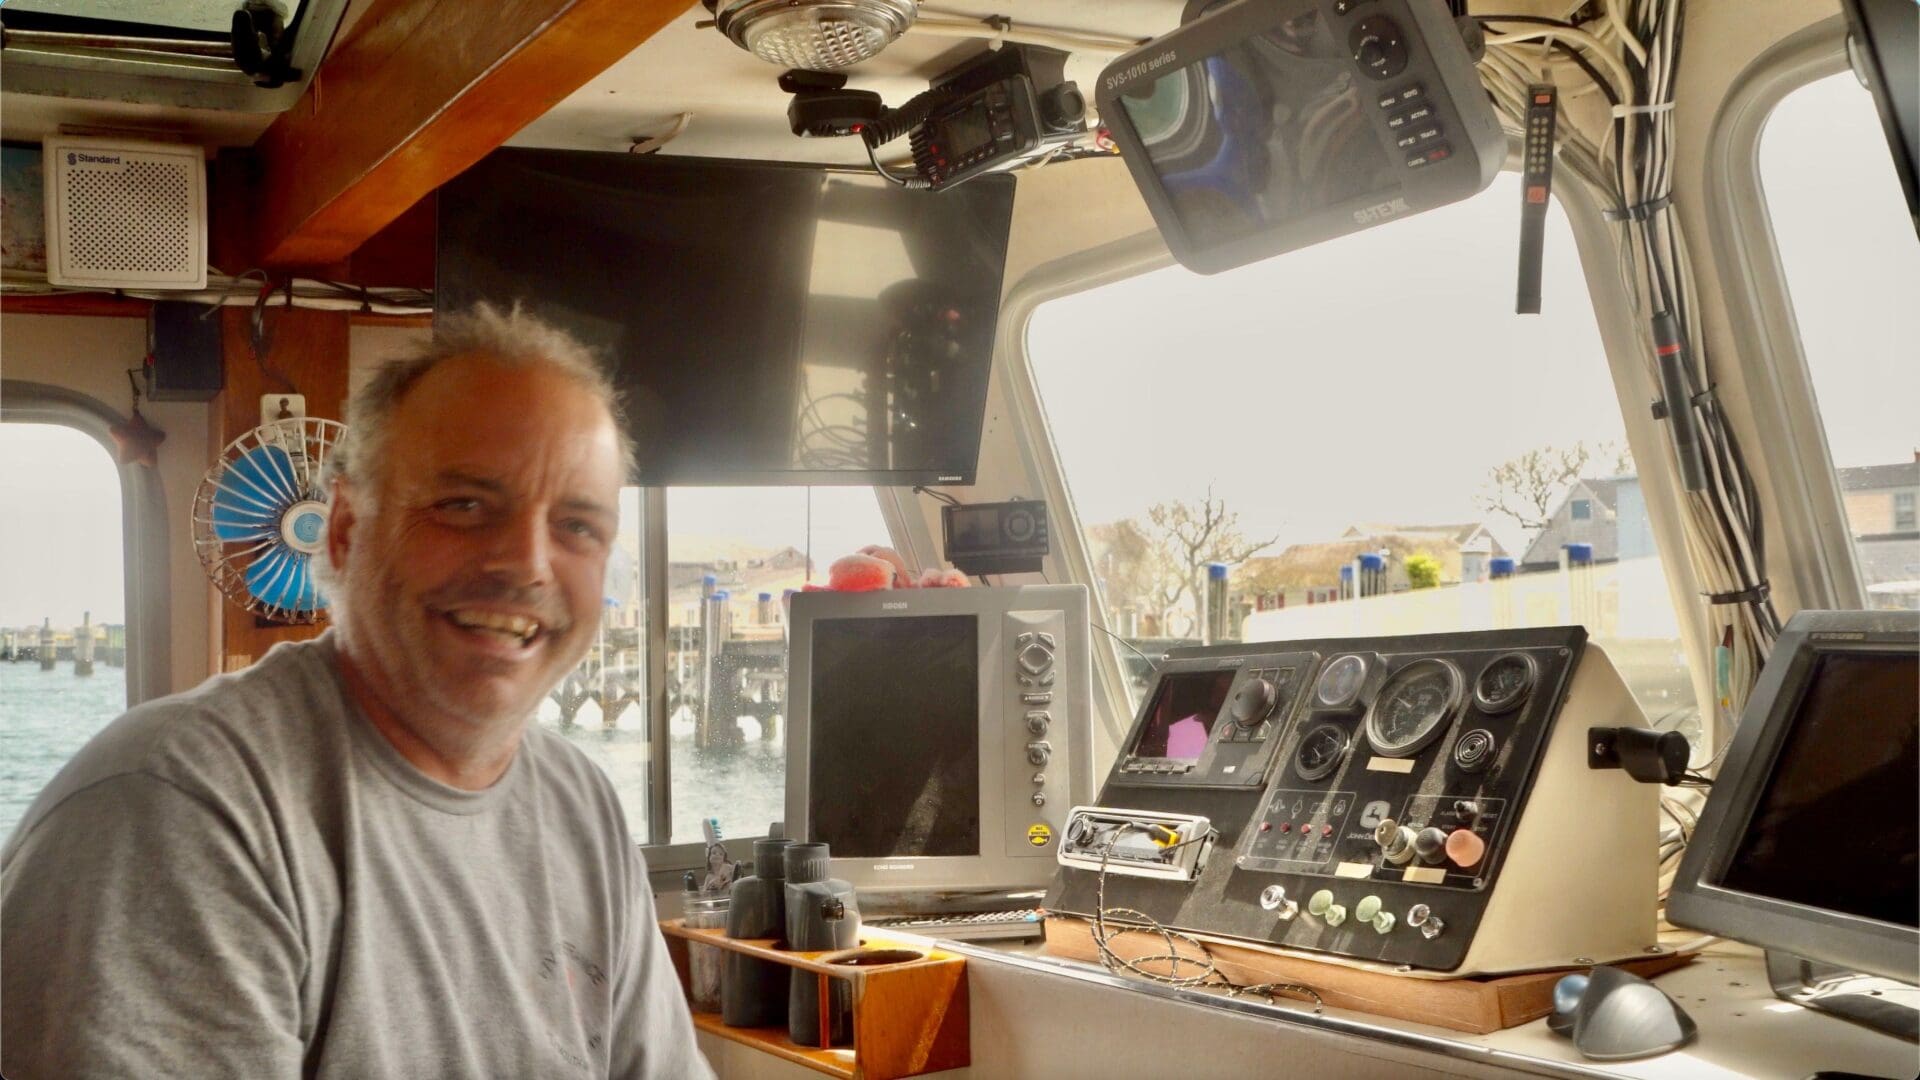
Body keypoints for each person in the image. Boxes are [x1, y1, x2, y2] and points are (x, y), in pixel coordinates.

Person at [1, 304, 715, 1079]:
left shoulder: (583, 806)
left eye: (578, 525)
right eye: (465, 505)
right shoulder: (178, 809)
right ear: (343, 530)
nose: (528, 564)